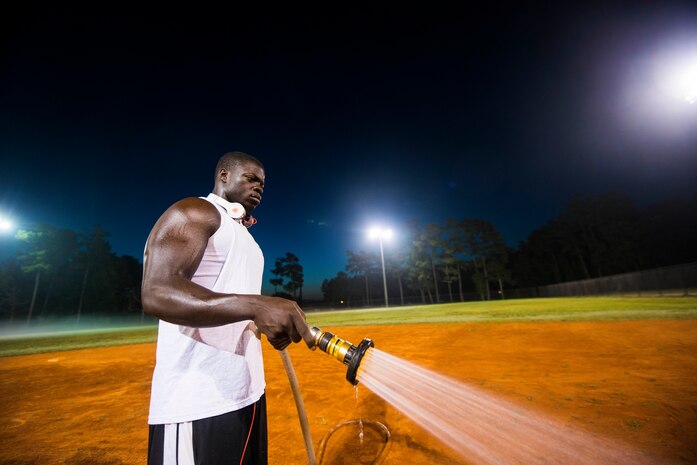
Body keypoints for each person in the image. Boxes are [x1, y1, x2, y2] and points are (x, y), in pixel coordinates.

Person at [142, 151, 314, 465]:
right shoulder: (194, 211)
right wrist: (256, 306)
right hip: (197, 401)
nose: (260, 187)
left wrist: (262, 323)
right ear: (224, 175)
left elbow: (237, 308)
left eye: (263, 183)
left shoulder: (244, 236)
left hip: (247, 392)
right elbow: (157, 292)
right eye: (251, 178)